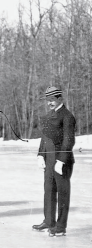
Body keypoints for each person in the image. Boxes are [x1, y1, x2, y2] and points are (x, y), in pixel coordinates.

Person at [32, 86, 76, 237]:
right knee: (48, 190)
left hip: (61, 160)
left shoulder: (67, 116)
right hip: (48, 158)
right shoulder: (49, 115)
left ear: (59, 98)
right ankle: (49, 221)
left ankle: (61, 226)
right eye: (48, 100)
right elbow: (45, 138)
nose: (49, 103)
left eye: (52, 100)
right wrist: (40, 155)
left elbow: (68, 140)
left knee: (62, 193)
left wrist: (61, 161)